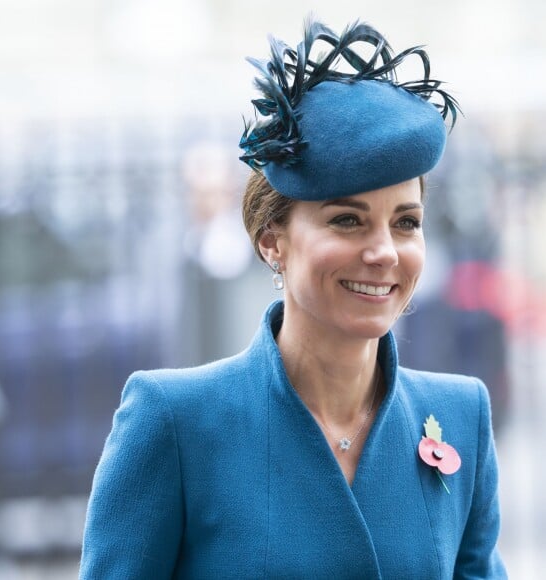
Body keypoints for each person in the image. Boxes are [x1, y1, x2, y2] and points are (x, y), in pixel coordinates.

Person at [79, 17, 507, 579]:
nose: (383, 251)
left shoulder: (460, 417)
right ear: (271, 240)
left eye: (405, 223)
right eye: (348, 220)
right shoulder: (175, 423)